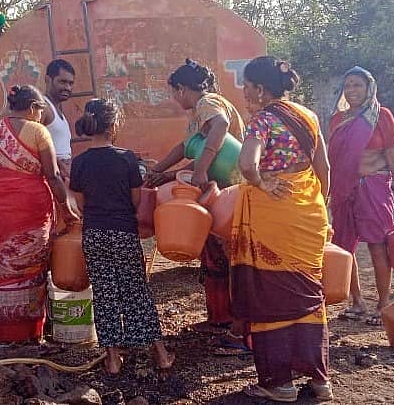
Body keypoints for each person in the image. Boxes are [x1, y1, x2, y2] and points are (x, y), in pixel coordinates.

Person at [232, 56, 333, 402]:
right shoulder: (310, 117)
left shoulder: (261, 121)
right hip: (309, 215)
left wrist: (261, 183)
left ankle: (280, 383)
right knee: (309, 294)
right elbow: (325, 170)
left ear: (260, 89)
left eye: (246, 85)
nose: (244, 91)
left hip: (273, 219)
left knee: (270, 293)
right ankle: (320, 381)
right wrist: (321, 210)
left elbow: (247, 163)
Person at [69, 98, 175, 374]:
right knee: (135, 290)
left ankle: (113, 359)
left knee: (104, 293)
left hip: (94, 234)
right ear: (114, 124)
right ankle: (161, 354)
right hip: (123, 233)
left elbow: (80, 204)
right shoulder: (127, 159)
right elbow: (136, 200)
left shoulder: (79, 163)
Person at [144, 59, 245, 343]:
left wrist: (198, 169)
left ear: (182, 89)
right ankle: (220, 318)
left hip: (229, 189)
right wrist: (159, 171)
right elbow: (184, 147)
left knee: (227, 256)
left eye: (174, 93)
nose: (175, 99)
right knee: (214, 254)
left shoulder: (207, 103)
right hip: (219, 187)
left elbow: (220, 127)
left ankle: (233, 324)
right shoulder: (197, 115)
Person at [0, 85, 78, 344]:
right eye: (41, 111)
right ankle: (32, 338)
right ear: (33, 107)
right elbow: (53, 176)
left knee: (8, 272)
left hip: (2, 212)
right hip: (31, 212)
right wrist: (67, 209)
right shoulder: (37, 131)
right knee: (33, 273)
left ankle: (9, 339)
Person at [328, 66, 394, 325]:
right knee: (345, 247)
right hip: (344, 189)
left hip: (373, 187)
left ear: (369, 88)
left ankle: (382, 303)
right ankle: (356, 301)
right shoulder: (338, 119)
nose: (352, 90)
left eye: (358, 85)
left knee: (377, 244)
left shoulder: (381, 116)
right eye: (348, 85)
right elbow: (332, 159)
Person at [41, 59, 77, 177]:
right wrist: (59, 166)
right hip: (53, 178)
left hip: (63, 176)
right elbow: (32, 147)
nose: (68, 87)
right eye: (62, 82)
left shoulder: (57, 109)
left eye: (70, 83)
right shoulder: (43, 108)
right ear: (48, 80)